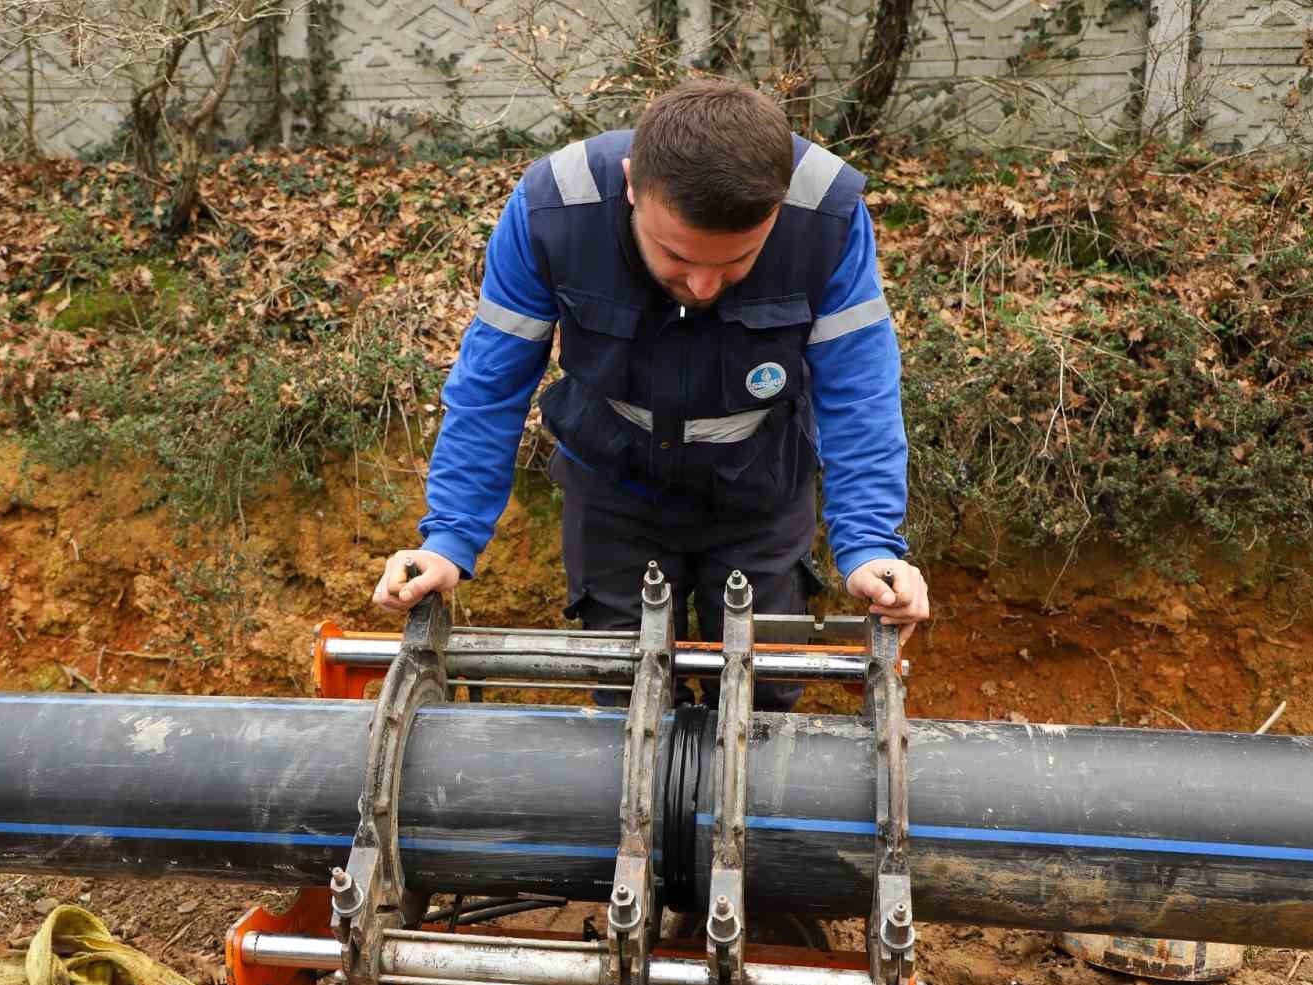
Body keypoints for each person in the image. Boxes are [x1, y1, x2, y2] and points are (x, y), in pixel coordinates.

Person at [371, 79, 929, 707]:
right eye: (676, 255)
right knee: (626, 694)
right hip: (615, 489)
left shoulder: (825, 216)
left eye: (737, 261)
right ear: (634, 185)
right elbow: (491, 389)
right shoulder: (555, 211)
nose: (704, 284)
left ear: (775, 210)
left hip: (761, 491)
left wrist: (870, 547)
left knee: (766, 693)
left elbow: (860, 393)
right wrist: (449, 538)